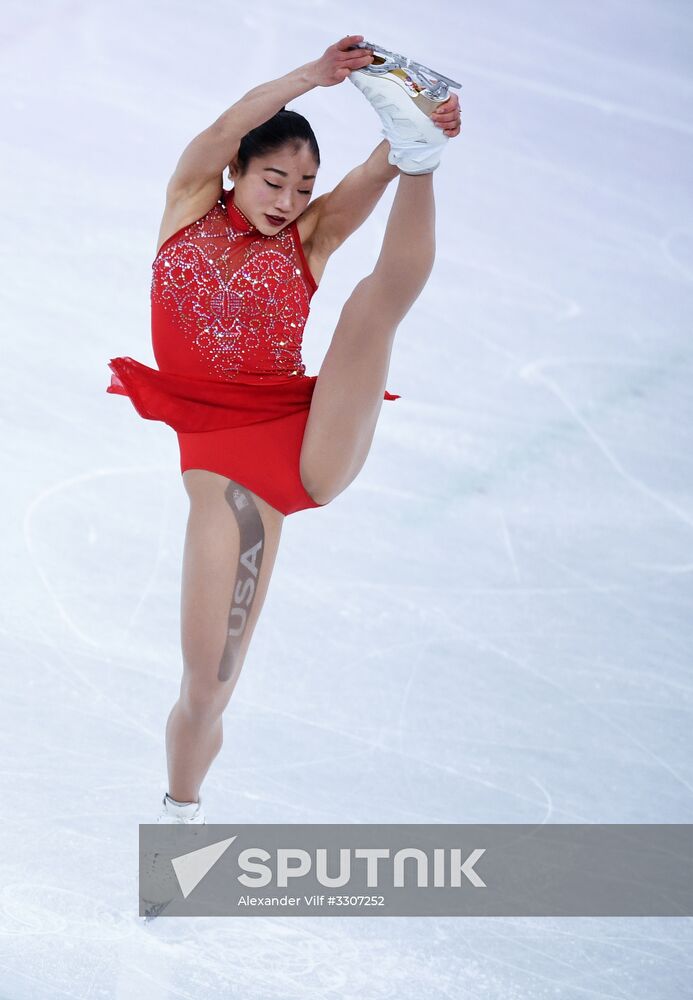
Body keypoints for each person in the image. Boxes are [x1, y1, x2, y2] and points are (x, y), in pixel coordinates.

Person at [107, 35, 462, 824]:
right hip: (225, 472)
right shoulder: (188, 202)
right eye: (274, 179)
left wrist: (419, 136)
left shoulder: (312, 234)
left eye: (304, 185)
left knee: (374, 303)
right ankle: (181, 816)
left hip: (306, 440)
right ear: (236, 169)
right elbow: (224, 124)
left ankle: (427, 152)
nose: (289, 199)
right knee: (206, 686)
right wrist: (312, 76)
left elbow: (373, 174)